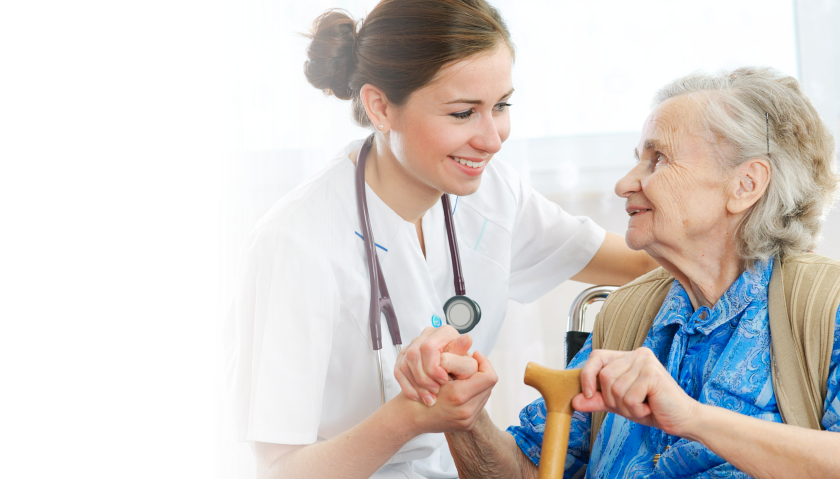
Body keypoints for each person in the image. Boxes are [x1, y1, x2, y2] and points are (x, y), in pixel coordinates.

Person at [221, 0, 657, 479]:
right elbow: (277, 471)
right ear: (380, 107)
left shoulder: (491, 193)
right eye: (463, 113)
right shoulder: (293, 245)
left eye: (501, 105)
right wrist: (410, 416)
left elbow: (643, 262)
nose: (492, 139)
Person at [398, 66, 840, 478]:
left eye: (659, 159)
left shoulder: (827, 307)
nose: (625, 183)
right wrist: (461, 413)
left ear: (745, 185)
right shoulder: (626, 314)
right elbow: (529, 469)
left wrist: (693, 418)